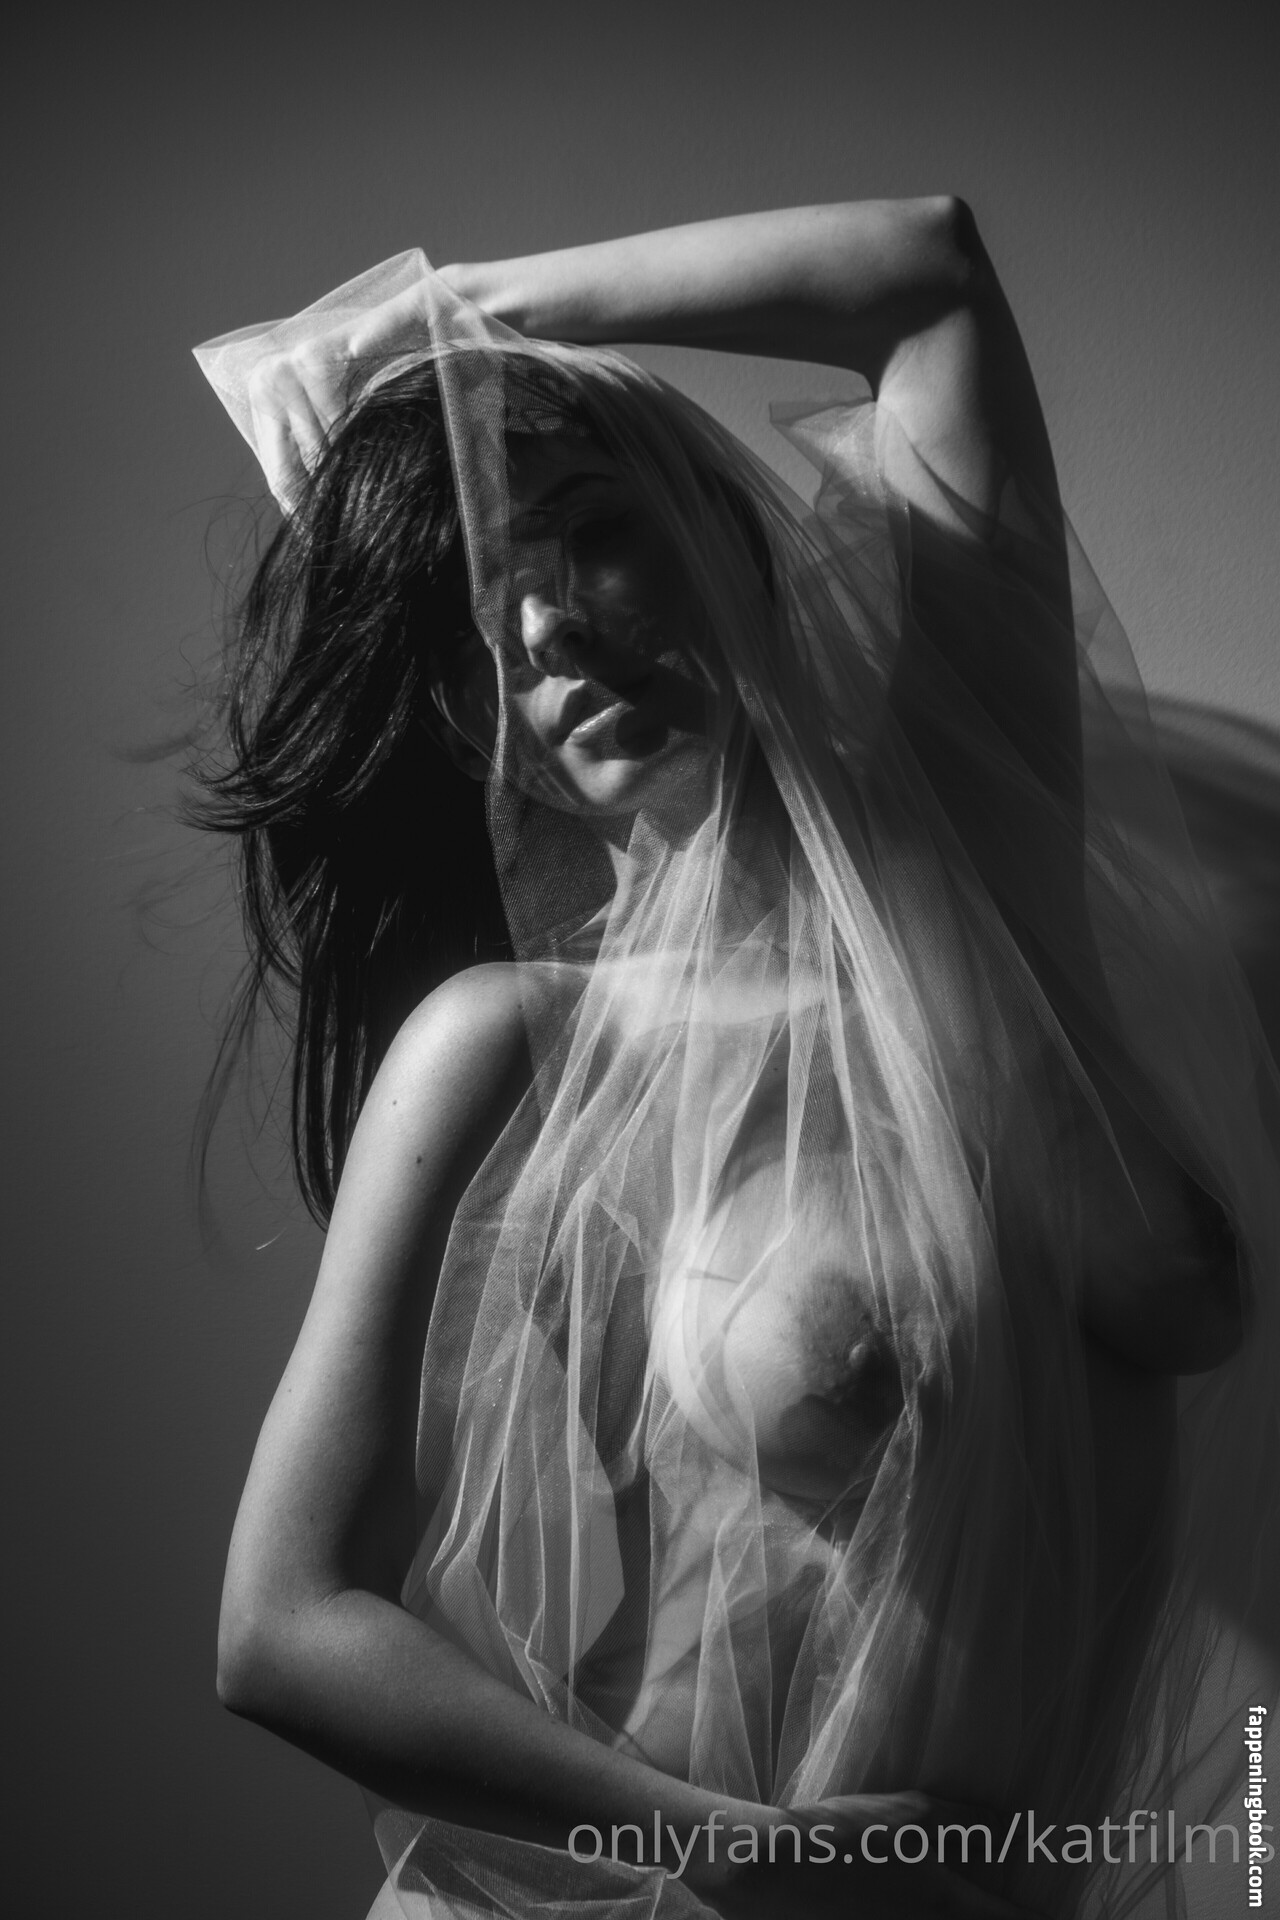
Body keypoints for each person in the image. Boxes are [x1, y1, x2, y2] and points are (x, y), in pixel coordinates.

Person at [192, 204, 1279, 1919]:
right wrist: (744, 1860)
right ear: (474, 722)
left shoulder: (974, 879)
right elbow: (282, 1624)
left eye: (593, 534)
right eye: (482, 615)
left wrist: (456, 315)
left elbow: (928, 280)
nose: (546, 630)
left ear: (722, 532)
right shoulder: (517, 1045)